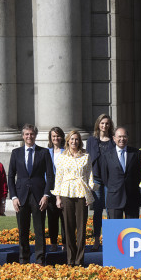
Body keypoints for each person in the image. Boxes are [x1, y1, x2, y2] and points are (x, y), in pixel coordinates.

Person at [8, 123, 54, 265]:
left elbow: (50, 176)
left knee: (39, 230)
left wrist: (46, 195)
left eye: (32, 134)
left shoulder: (44, 152)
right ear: (23, 136)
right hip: (21, 197)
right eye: (27, 134)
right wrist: (14, 197)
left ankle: (40, 260)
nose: (29, 136)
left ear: (35, 135)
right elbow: (10, 176)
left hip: (39, 197)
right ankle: (23, 259)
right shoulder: (16, 153)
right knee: (23, 230)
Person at [53, 130, 96, 266]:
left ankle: (80, 259)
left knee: (81, 228)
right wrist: (58, 198)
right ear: (67, 141)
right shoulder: (62, 157)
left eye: (76, 139)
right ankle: (70, 259)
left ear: (80, 141)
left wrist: (90, 194)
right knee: (69, 227)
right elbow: (58, 177)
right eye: (72, 139)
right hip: (66, 193)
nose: (74, 142)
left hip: (81, 194)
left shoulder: (86, 156)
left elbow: (90, 176)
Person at [98, 127, 141, 219]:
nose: (122, 139)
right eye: (119, 137)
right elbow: (105, 176)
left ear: (128, 138)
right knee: (115, 229)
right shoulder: (106, 155)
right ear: (114, 138)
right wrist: (115, 186)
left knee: (132, 229)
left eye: (124, 136)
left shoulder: (136, 153)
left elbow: (139, 173)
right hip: (114, 197)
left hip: (132, 197)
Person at [87, 113, 115, 251]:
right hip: (96, 179)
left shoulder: (113, 140)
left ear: (110, 125)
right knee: (97, 210)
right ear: (98, 124)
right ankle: (96, 239)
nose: (104, 126)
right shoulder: (91, 141)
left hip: (110, 180)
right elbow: (87, 160)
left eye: (107, 123)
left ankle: (111, 239)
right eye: (102, 123)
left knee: (110, 209)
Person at [46, 127, 66, 252]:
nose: (56, 138)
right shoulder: (46, 152)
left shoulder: (67, 151)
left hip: (64, 189)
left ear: (62, 137)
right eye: (53, 136)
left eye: (58, 136)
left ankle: (65, 243)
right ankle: (53, 243)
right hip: (51, 189)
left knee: (64, 218)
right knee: (52, 217)